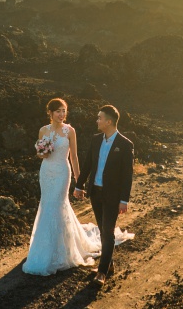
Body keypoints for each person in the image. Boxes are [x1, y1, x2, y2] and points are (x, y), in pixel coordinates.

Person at [22, 98, 108, 275]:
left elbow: (74, 157)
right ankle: (45, 249)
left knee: (57, 205)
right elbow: (40, 155)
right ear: (51, 113)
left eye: (64, 111)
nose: (62, 114)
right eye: (58, 111)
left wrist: (79, 181)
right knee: (47, 206)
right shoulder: (43, 130)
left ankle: (63, 251)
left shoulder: (70, 131)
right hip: (46, 172)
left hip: (62, 172)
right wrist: (43, 151)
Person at [73, 104, 134, 284]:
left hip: (113, 196)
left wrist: (124, 200)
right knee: (102, 230)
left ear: (109, 121)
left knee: (108, 231)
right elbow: (87, 164)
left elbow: (127, 175)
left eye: (100, 118)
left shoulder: (125, 144)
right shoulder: (96, 139)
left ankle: (102, 272)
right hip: (96, 192)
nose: (97, 120)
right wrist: (79, 185)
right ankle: (109, 264)